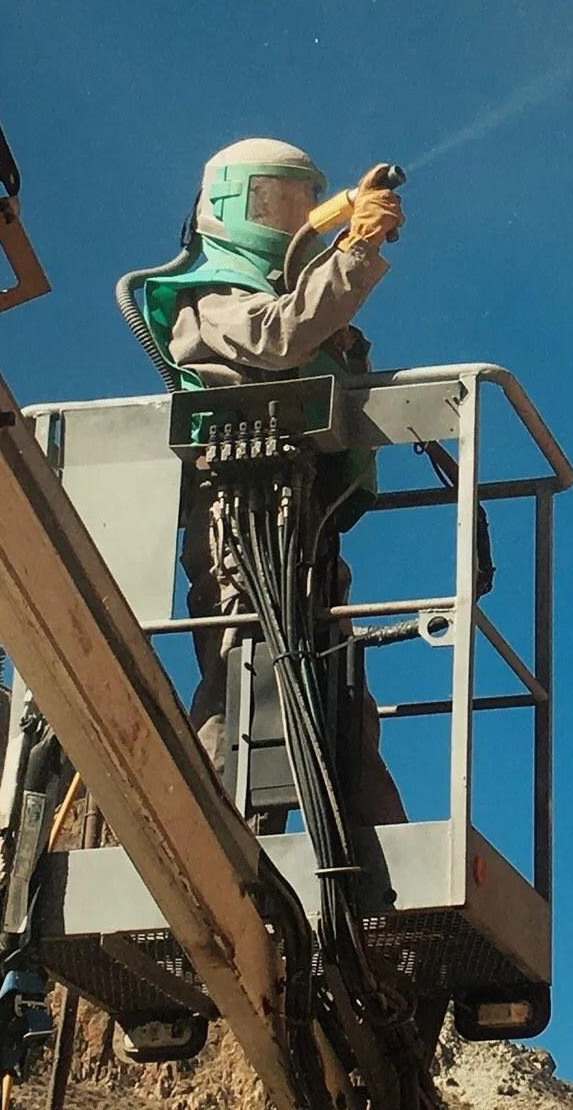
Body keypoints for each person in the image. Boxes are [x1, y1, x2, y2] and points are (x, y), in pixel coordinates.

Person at [140, 137, 408, 826]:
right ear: (229, 206)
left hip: (303, 517)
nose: (291, 219)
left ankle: (368, 869)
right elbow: (275, 339)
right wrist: (353, 258)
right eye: (275, 202)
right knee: (244, 684)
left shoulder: (299, 298)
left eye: (301, 203)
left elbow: (319, 359)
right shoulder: (209, 297)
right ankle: (224, 856)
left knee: (335, 686)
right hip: (239, 517)